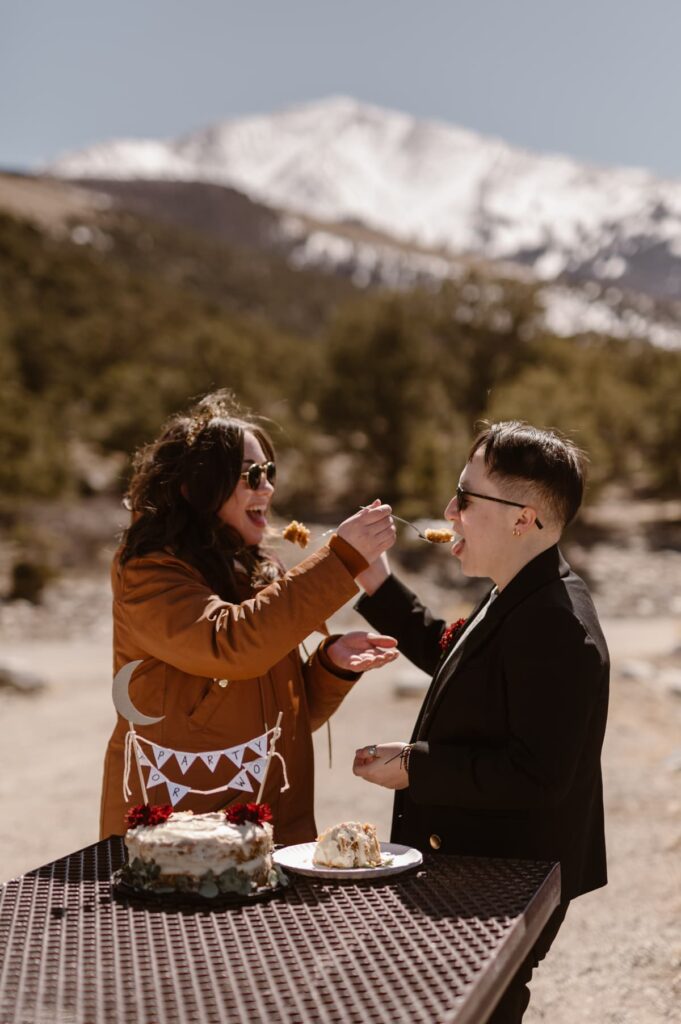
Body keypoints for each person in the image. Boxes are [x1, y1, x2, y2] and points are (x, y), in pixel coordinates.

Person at [352, 421, 609, 1024]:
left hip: (506, 887)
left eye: (465, 497)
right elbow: (454, 649)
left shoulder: (557, 623)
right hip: (479, 877)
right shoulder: (517, 590)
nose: (448, 510)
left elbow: (539, 776)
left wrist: (417, 767)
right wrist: (375, 579)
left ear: (523, 518)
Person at [100, 390, 397, 845]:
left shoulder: (260, 571)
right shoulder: (148, 572)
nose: (268, 488)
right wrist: (340, 560)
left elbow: (278, 718)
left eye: (270, 473)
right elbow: (231, 645)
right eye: (251, 475)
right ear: (195, 489)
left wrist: (330, 666)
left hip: (271, 831)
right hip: (175, 841)